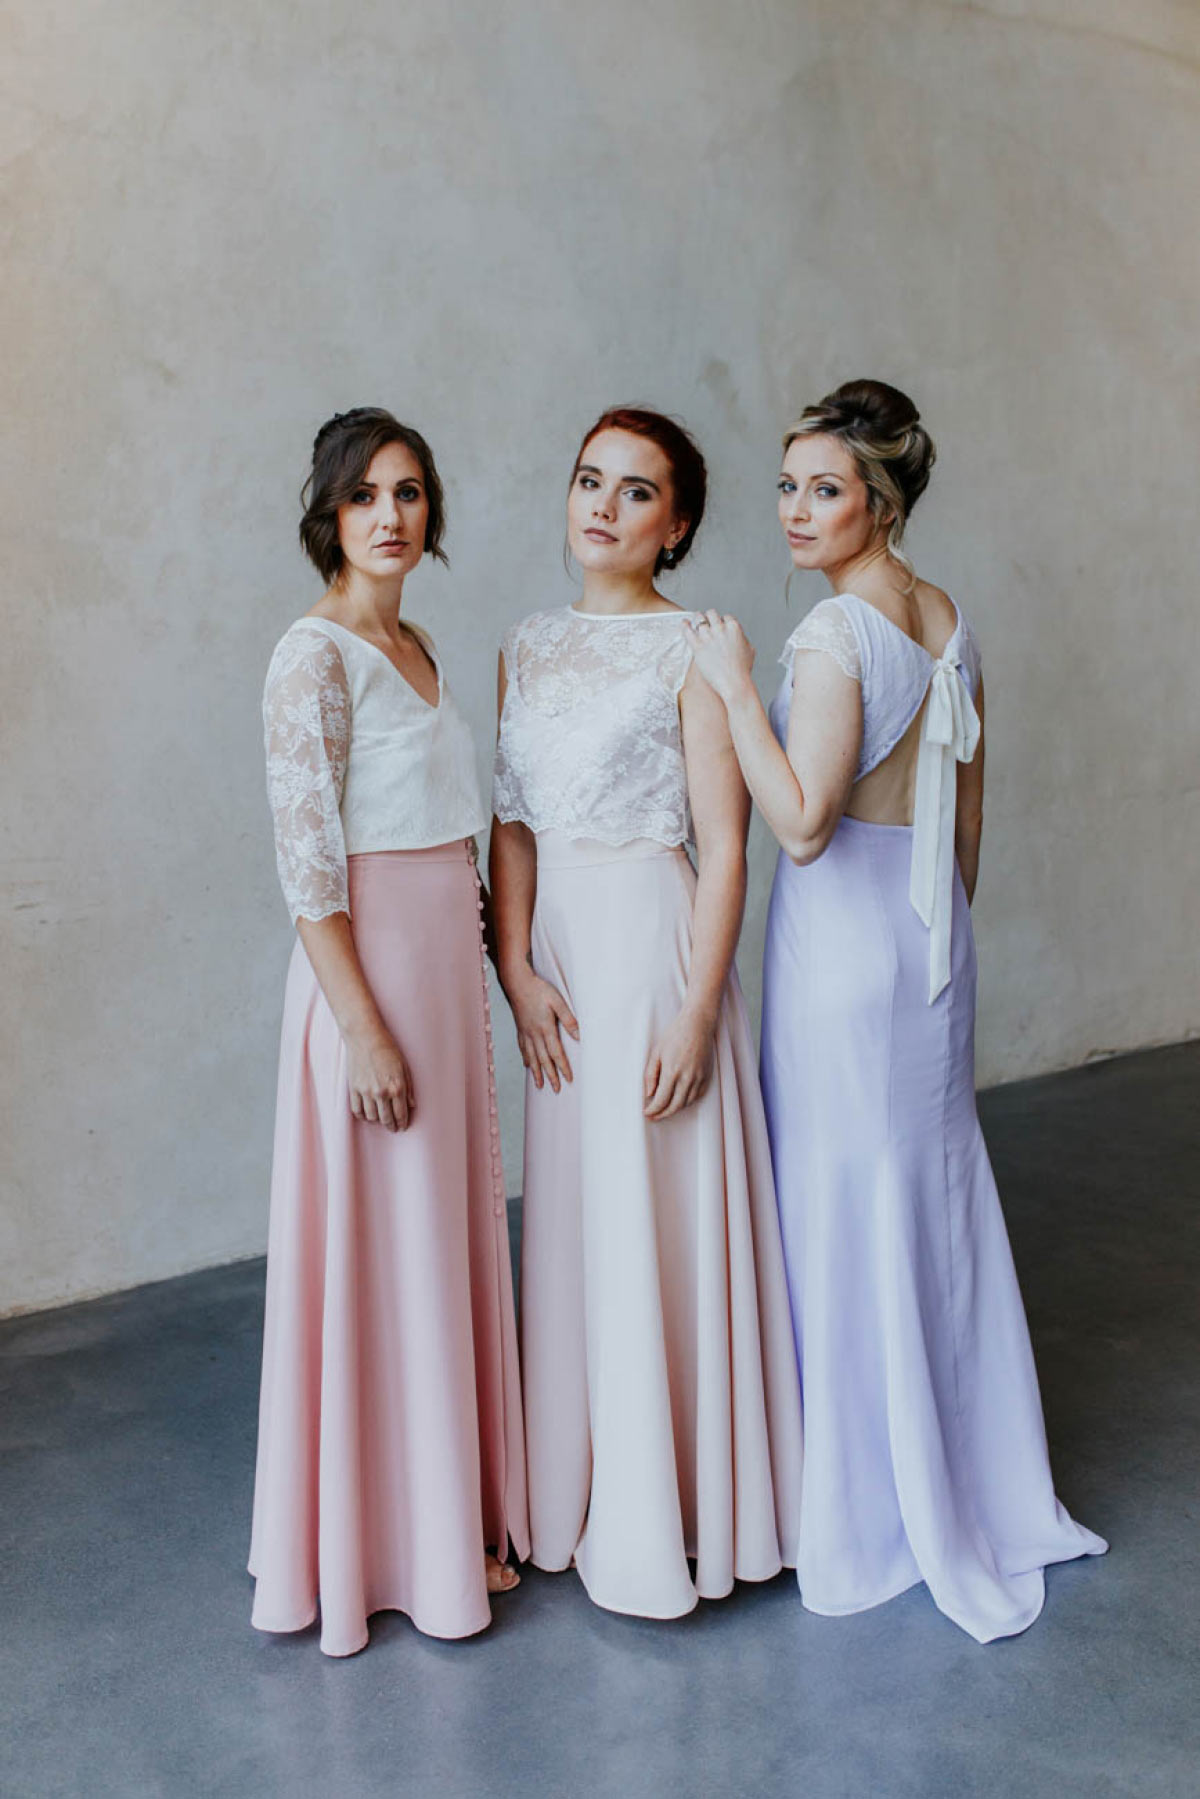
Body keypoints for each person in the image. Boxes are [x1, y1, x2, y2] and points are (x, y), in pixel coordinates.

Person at [684, 379, 1106, 1643]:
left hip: (845, 951)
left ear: (881, 500)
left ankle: (861, 1501)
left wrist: (733, 681)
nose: (796, 511)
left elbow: (805, 825)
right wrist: (944, 939)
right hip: (929, 944)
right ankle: (965, 1465)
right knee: (925, 1193)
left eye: (826, 489)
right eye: (788, 486)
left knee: (842, 1197)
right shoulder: (948, 616)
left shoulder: (831, 634)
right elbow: (967, 813)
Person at [490, 406, 802, 1620]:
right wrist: (515, 966)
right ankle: (574, 1485)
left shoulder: (694, 647)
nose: (603, 506)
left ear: (675, 526)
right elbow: (514, 821)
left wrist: (696, 1009)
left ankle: (670, 1507)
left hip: (655, 954)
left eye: (635, 491)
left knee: (651, 1213)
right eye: (589, 480)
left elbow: (726, 849)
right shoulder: (524, 644)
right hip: (563, 964)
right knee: (577, 1214)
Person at [250, 407, 528, 1657]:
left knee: (437, 1245)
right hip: (369, 984)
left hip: (442, 976)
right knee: (380, 1256)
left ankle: (444, 1523)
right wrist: (361, 1029)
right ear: (330, 511)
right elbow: (310, 873)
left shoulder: (416, 644)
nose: (391, 515)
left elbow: (452, 828)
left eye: (409, 492)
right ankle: (381, 1551)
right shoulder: (310, 657)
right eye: (365, 494)